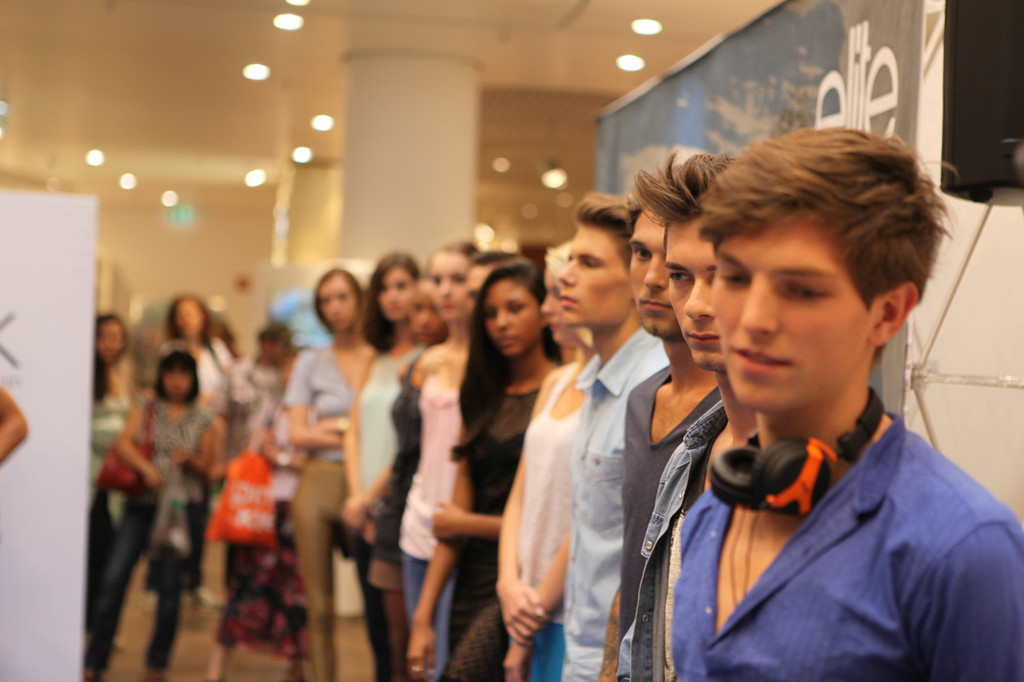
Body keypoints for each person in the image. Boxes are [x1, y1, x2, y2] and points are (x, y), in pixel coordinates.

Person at [671, 128, 1024, 681]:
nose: (753, 319)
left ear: (888, 313)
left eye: (801, 290)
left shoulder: (963, 548)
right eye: (735, 278)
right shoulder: (711, 516)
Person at [616, 152, 760, 682]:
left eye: (723, 276)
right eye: (681, 275)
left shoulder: (823, 472)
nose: (696, 304)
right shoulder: (690, 456)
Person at [407, 260, 560, 682]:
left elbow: (549, 520)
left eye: (515, 308)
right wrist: (422, 616)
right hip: (471, 577)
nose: (501, 323)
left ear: (543, 310)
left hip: (523, 578)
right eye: (490, 313)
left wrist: (465, 523)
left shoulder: (561, 393)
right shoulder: (481, 394)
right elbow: (451, 522)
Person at [599, 189, 721, 676]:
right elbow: (638, 556)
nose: (652, 279)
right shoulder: (640, 399)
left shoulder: (741, 420)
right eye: (641, 253)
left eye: (720, 274)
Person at [557, 193, 668, 682]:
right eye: (570, 260)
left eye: (589, 262)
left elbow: (649, 554)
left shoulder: (652, 386)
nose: (566, 275)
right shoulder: (598, 380)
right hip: (578, 647)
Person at [84, 349, 220, 682]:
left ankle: (156, 665)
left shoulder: (204, 417)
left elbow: (208, 467)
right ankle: (94, 660)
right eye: (170, 373)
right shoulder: (146, 406)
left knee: (169, 591)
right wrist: (146, 469)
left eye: (183, 374)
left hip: (179, 512)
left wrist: (188, 459)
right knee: (114, 579)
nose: (176, 381)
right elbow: (123, 444)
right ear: (161, 376)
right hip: (141, 506)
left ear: (193, 378)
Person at [496, 242, 593, 682]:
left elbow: (594, 514)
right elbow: (521, 494)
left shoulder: (621, 389)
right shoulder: (556, 381)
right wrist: (507, 582)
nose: (548, 308)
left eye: (556, 293)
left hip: (563, 604)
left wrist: (533, 608)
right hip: (522, 597)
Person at [284, 267, 375, 682]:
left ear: (359, 299)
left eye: (342, 297)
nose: (335, 307)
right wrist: (348, 429)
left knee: (379, 600)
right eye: (326, 300)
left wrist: (331, 427)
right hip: (318, 480)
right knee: (319, 606)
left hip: (369, 482)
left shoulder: (379, 356)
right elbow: (297, 433)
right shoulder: (310, 361)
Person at [204, 344, 307, 682]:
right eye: (289, 367)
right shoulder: (271, 408)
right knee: (244, 589)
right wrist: (262, 447)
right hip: (260, 508)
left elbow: (320, 462)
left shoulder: (316, 414)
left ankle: (296, 671)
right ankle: (215, 673)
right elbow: (249, 448)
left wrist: (282, 457)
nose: (292, 375)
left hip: (296, 511)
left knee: (296, 594)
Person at [342, 252, 422, 682]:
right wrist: (358, 498)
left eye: (402, 286)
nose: (393, 297)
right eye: (385, 288)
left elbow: (411, 444)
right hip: (364, 508)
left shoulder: (428, 357)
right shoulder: (373, 356)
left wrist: (373, 498)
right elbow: (353, 431)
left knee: (404, 638)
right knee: (376, 631)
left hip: (399, 505)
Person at [369, 276, 450, 682]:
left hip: (437, 516)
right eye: (417, 308)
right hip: (398, 510)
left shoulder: (458, 369)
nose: (423, 319)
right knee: (396, 647)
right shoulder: (412, 367)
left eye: (433, 309)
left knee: (431, 653)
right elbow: (402, 451)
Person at [87, 314, 133, 631]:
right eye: (104, 336)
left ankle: (100, 626)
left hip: (116, 477)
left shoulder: (122, 373)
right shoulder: (86, 374)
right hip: (91, 475)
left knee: (109, 554)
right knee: (92, 552)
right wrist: (117, 439)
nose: (110, 343)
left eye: (116, 337)